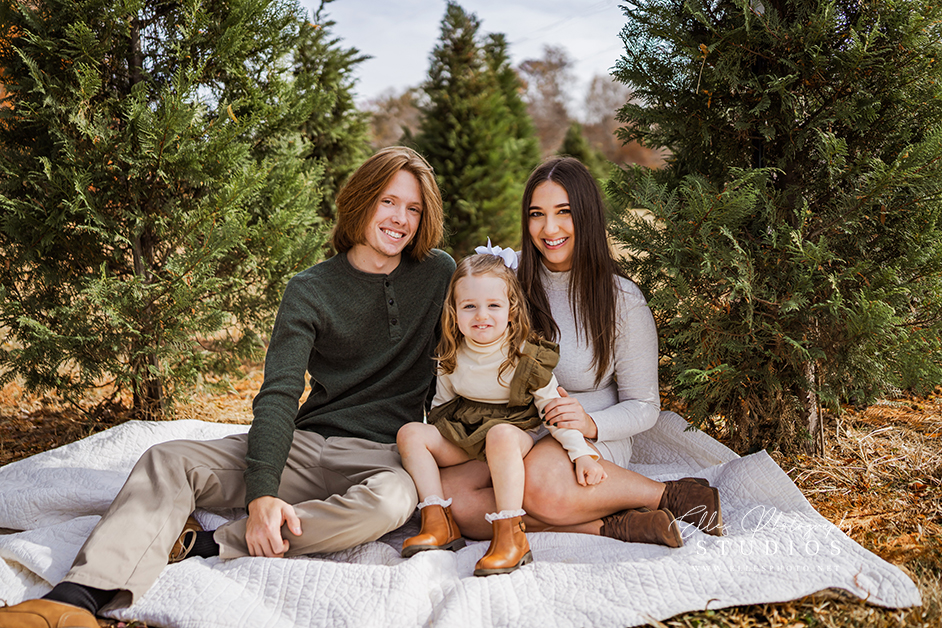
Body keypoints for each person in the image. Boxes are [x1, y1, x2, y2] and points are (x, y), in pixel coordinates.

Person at [0, 146, 455, 628]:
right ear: (361, 201)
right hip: (305, 445)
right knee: (169, 458)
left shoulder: (438, 273)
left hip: (382, 454)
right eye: (388, 201)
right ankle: (75, 601)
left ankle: (214, 543)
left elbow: (489, 329)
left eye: (414, 208)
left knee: (393, 501)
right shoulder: (311, 288)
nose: (400, 219)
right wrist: (262, 493)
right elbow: (279, 392)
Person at [440, 156, 723, 546]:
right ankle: (617, 524)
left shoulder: (621, 299)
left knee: (537, 485)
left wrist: (590, 424)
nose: (549, 228)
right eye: (537, 214)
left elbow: (644, 405)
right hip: (513, 429)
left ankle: (674, 495)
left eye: (564, 212)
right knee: (453, 501)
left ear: (587, 216)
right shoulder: (508, 282)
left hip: (588, 432)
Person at [397, 249, 608, 576]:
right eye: (469, 306)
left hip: (514, 434)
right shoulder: (452, 352)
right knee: (410, 432)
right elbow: (440, 409)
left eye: (493, 305)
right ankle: (438, 520)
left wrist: (581, 455)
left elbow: (554, 410)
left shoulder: (525, 355)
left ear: (511, 311)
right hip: (466, 434)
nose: (481, 315)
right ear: (454, 313)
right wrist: (434, 453)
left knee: (499, 435)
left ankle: (510, 535)